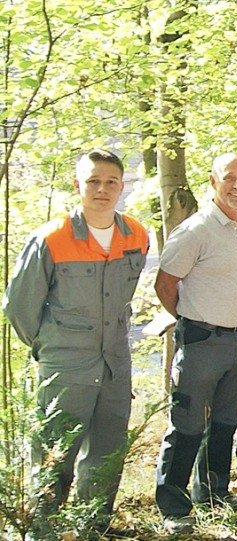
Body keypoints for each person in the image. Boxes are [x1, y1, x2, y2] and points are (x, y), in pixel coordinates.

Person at [2, 149, 149, 537]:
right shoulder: (51, 238)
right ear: (78, 185)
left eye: (111, 182)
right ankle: (43, 531)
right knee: (54, 454)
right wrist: (51, 348)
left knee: (106, 450)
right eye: (93, 181)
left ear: (121, 185)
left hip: (115, 362)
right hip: (66, 366)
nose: (102, 189)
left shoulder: (136, 234)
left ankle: (90, 527)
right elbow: (19, 307)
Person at [153, 154, 237, 532]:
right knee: (186, 424)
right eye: (229, 178)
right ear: (213, 182)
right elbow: (164, 285)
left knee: (226, 421)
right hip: (202, 340)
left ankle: (214, 492)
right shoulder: (194, 230)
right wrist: (191, 319)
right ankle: (173, 505)